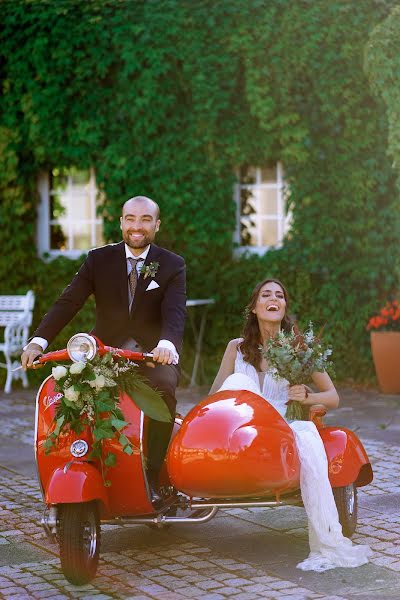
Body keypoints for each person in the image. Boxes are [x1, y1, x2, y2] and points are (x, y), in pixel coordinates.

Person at [21, 195, 186, 503]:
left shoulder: (172, 265)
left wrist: (166, 345)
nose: (137, 226)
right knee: (70, 392)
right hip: (103, 352)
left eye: (146, 219)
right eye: (131, 219)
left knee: (164, 390)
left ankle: (152, 478)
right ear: (121, 222)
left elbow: (175, 313)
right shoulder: (99, 259)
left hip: (151, 356)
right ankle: (82, 461)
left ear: (157, 225)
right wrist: (38, 341)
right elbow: (69, 301)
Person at [210, 278, 372, 572]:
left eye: (280, 296)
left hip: (282, 428)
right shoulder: (235, 348)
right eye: (266, 294)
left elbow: (333, 397)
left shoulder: (298, 349)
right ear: (255, 307)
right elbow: (214, 395)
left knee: (308, 437)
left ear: (284, 308)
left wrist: (307, 395)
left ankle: (327, 534)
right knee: (237, 381)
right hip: (243, 430)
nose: (274, 299)